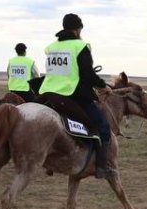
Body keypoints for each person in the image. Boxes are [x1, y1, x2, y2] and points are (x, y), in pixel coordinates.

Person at [39, 13, 116, 179]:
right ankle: (102, 167)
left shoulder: (52, 47)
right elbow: (87, 75)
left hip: (49, 94)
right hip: (70, 93)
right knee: (102, 126)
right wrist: (104, 86)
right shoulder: (80, 46)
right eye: (80, 28)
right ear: (77, 29)